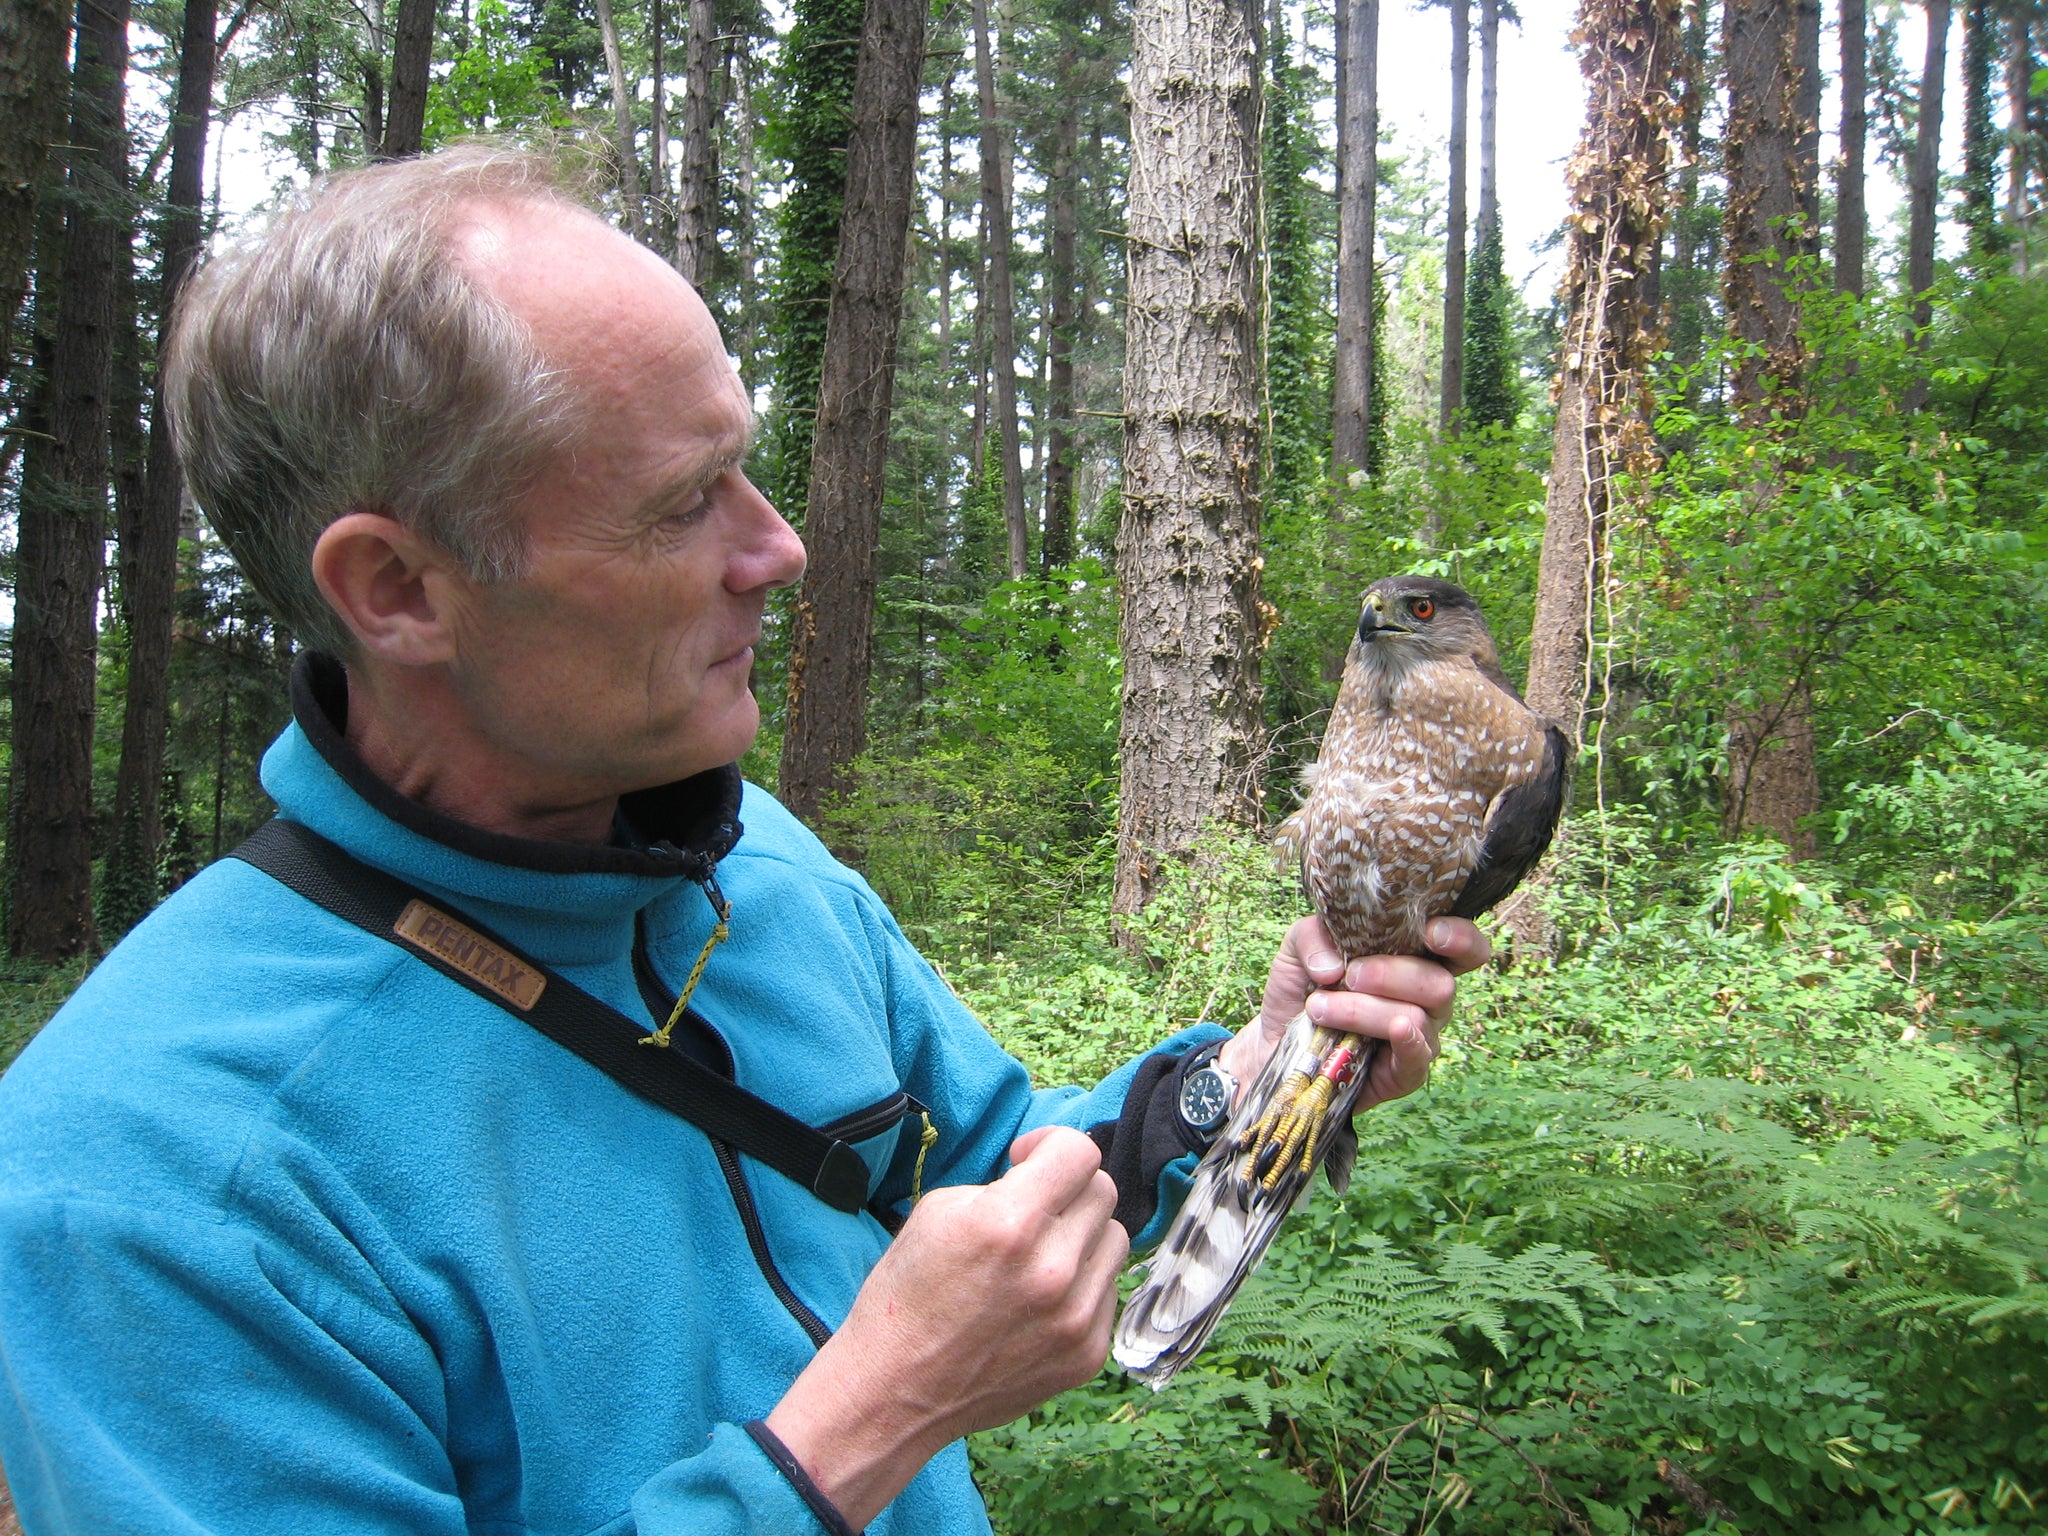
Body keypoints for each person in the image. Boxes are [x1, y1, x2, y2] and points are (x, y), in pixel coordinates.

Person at [0, 146, 1486, 1535]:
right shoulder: (153, 1185)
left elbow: (991, 1171)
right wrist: (859, 1430)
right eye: (679, 503)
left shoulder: (753, 866)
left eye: (743, 463)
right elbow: (890, 1380)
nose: (777, 547)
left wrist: (1251, 1075)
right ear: (397, 589)